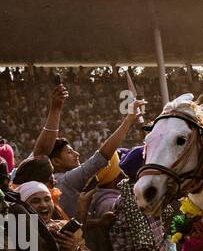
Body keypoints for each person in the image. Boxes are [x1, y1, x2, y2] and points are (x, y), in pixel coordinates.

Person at [30, 82, 143, 219]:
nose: (76, 154)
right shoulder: (66, 181)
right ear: (56, 161)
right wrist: (128, 121)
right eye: (69, 152)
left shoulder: (39, 180)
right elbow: (100, 158)